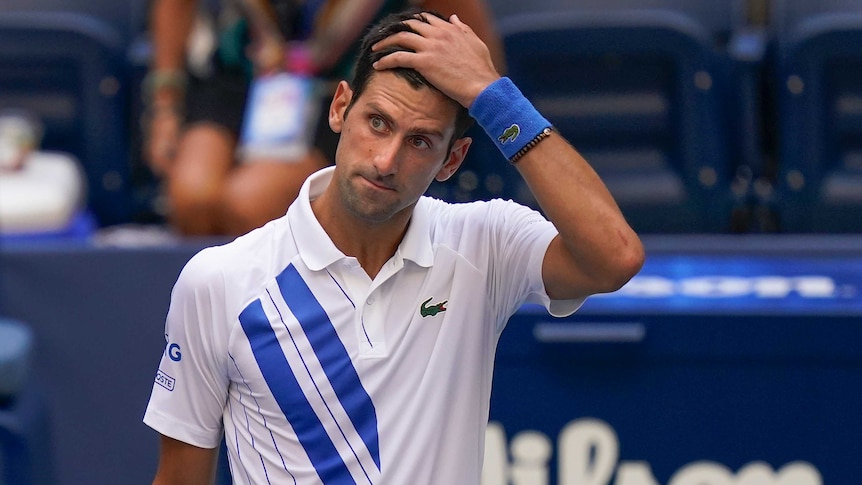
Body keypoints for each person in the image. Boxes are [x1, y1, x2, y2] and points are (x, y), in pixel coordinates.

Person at [143, 8, 644, 484]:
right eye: (378, 123)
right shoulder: (219, 281)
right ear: (341, 107)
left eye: (421, 141)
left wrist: (496, 97)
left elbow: (614, 256)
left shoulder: (486, 243)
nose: (386, 160)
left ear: (453, 161)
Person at [143, 0, 505, 236]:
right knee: (191, 198)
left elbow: (472, 46)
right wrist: (165, 106)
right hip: (239, 75)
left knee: (247, 204)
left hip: (347, 89)